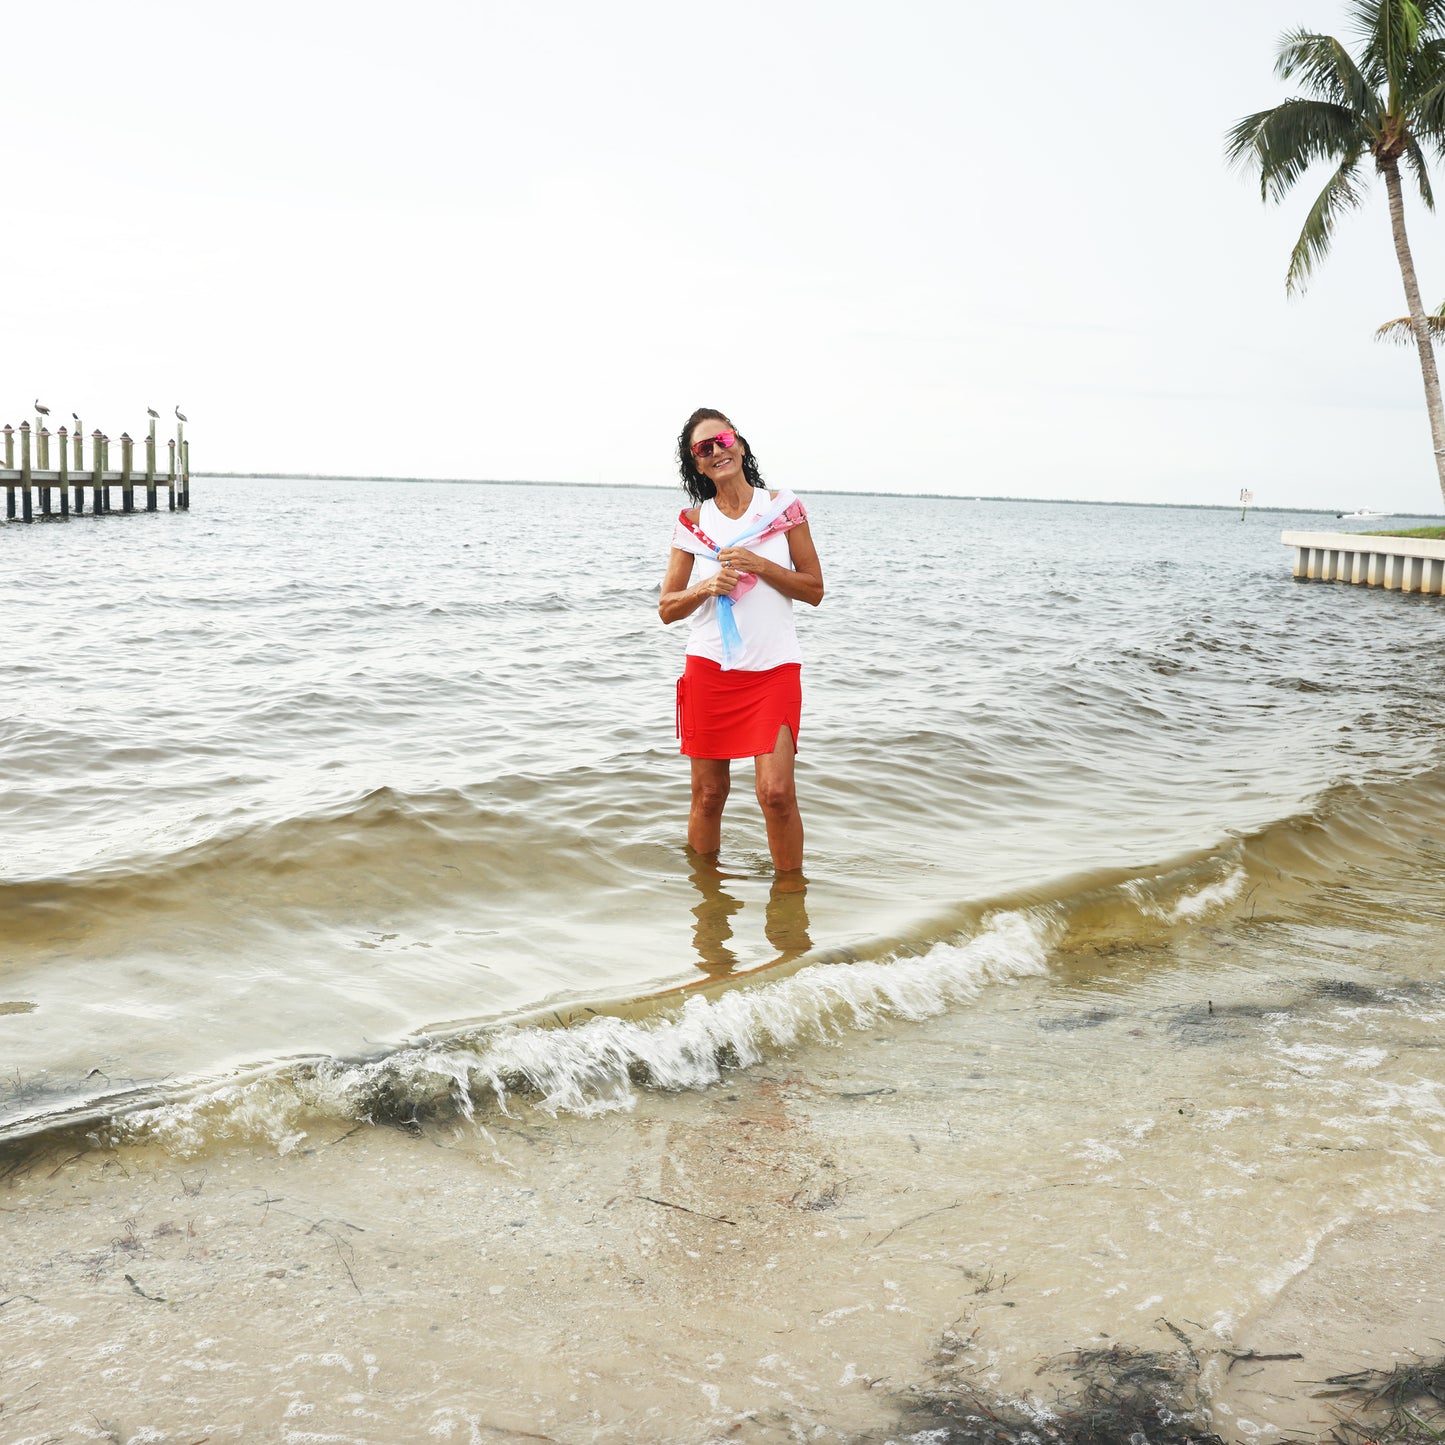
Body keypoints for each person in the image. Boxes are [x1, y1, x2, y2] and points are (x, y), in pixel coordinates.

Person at [659, 408, 824, 873]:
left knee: (776, 794)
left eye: (723, 440)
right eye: (703, 449)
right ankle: (707, 909)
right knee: (709, 796)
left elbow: (814, 590)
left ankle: (791, 906)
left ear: (741, 445)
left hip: (773, 669)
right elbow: (667, 608)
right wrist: (704, 587)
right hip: (710, 668)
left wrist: (762, 566)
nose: (716, 451)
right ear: (696, 464)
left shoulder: (782, 510)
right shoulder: (692, 524)